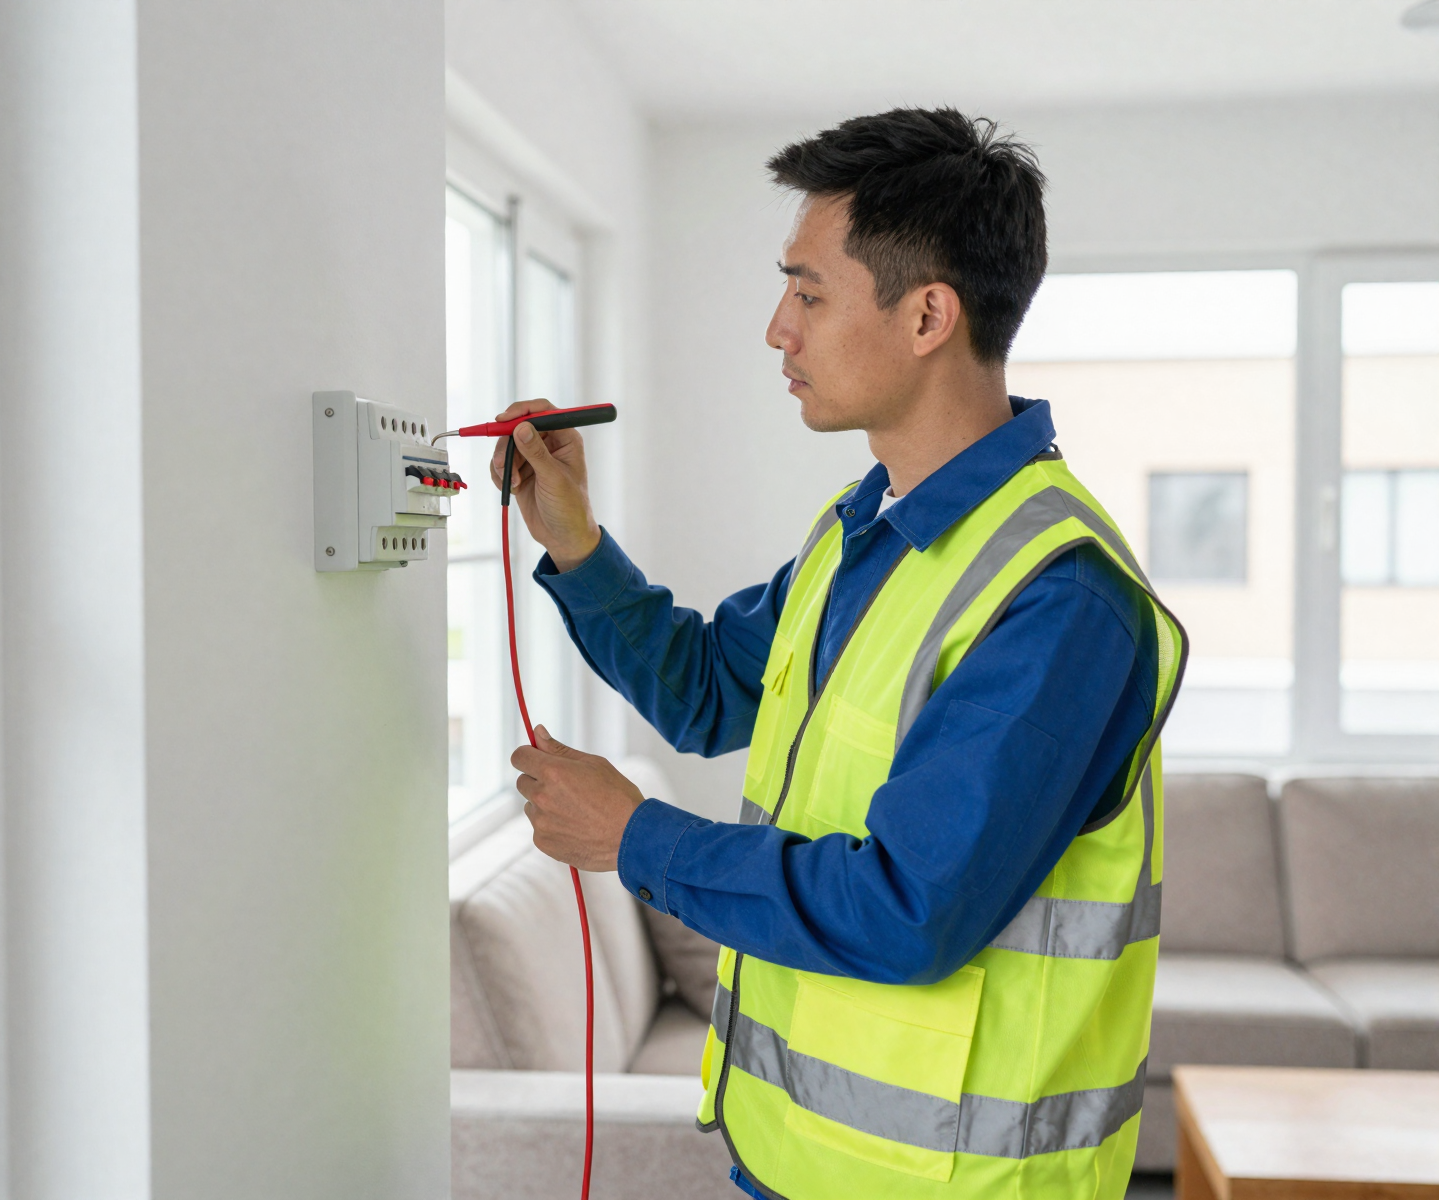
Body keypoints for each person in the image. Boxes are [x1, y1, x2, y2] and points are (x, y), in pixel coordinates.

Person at [498, 107, 1187, 1199]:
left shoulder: (1061, 598)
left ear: (926, 316)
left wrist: (634, 836)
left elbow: (909, 908)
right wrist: (575, 543)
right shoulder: (862, 530)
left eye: (808, 292)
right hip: (789, 1160)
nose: (778, 329)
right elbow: (709, 691)